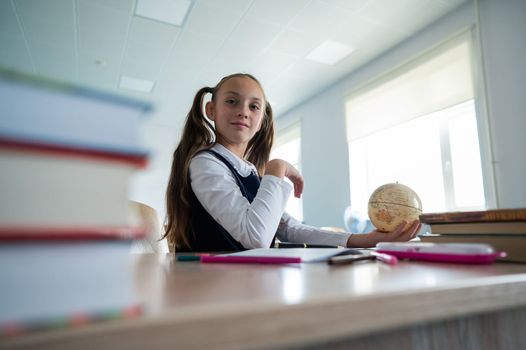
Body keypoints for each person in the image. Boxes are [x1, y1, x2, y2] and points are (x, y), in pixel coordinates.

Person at [163, 73, 420, 252]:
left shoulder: (249, 170)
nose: (243, 111)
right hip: (208, 286)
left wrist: (361, 239)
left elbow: (288, 227)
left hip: (244, 281)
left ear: (261, 119)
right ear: (211, 110)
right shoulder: (205, 163)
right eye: (232, 101)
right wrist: (277, 167)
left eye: (254, 106)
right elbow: (256, 238)